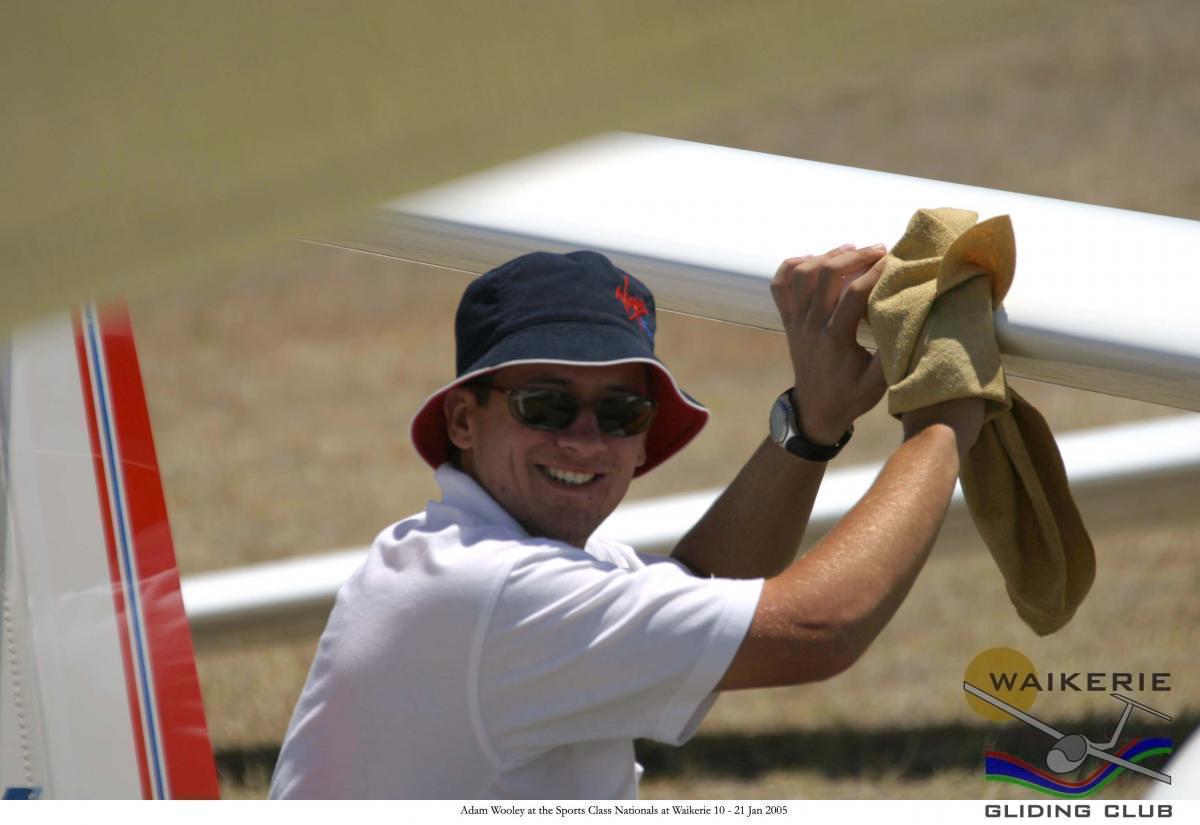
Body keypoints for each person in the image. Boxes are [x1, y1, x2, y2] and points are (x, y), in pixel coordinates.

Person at [269, 247, 984, 799]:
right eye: (546, 404)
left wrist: (813, 424)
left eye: (621, 412)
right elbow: (821, 629)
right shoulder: (492, 588)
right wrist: (943, 421)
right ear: (463, 418)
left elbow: (698, 585)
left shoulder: (461, 558)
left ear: (643, 439)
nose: (584, 439)